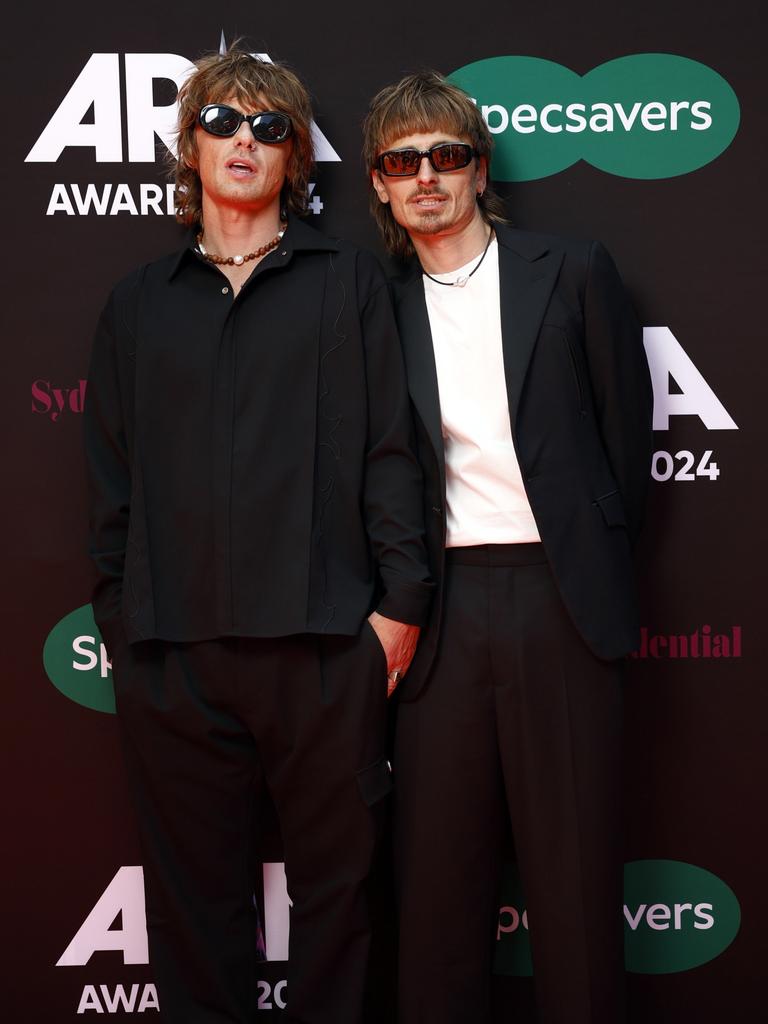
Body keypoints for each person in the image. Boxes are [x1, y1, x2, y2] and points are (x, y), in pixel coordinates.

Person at [83, 49, 432, 1024]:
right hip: (173, 651)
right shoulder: (138, 302)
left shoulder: (350, 285)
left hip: (327, 648)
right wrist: (123, 620)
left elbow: (391, 453)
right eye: (225, 123)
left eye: (271, 127)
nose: (247, 140)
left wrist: (398, 613)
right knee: (193, 912)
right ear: (189, 147)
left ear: (296, 159)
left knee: (344, 904)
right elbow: (111, 477)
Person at [363, 71, 653, 1024]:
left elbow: (624, 445)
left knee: (573, 891)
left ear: (480, 170)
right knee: (438, 895)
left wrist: (587, 575)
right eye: (403, 162)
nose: (426, 177)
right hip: (438, 611)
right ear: (378, 184)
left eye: (446, 156)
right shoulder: (375, 305)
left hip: (560, 600)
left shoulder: (570, 269)